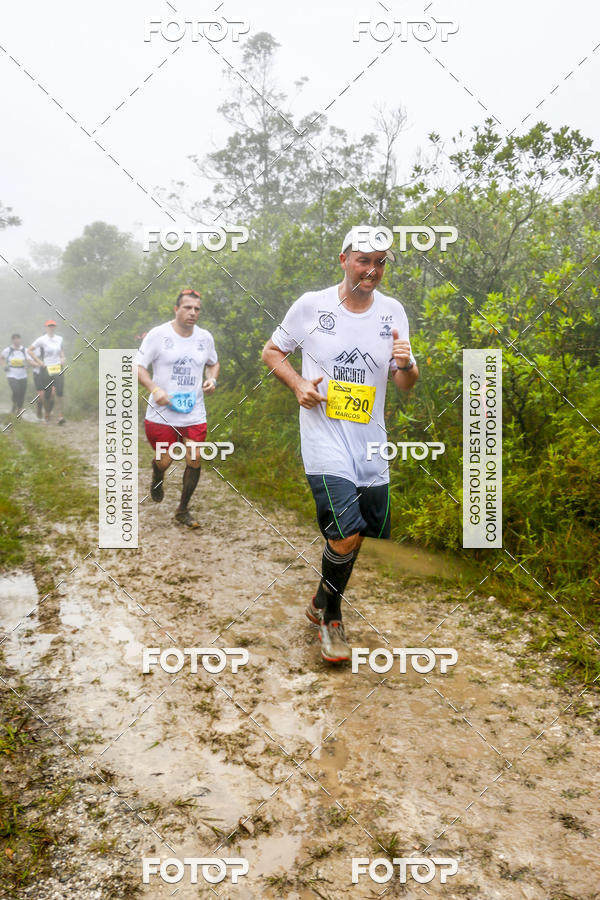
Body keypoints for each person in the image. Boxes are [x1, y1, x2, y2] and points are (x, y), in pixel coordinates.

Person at [262, 225, 419, 663]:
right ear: (344, 259)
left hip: (370, 443)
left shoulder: (393, 312)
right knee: (346, 531)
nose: (372, 270)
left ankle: (318, 601)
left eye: (381, 262)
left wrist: (405, 364)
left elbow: (405, 382)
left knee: (357, 534)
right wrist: (297, 385)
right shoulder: (312, 305)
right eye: (364, 260)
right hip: (324, 437)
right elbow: (273, 351)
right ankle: (332, 620)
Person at [136, 288, 220, 528]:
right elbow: (139, 367)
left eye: (197, 309)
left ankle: (182, 510)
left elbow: (214, 364)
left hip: (194, 412)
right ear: (176, 309)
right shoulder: (158, 335)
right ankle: (157, 474)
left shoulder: (205, 337)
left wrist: (212, 380)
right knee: (166, 460)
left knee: (194, 458)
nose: (193, 313)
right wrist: (154, 389)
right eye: (187, 308)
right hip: (162, 414)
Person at [28, 320, 66, 424]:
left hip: (58, 367)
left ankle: (60, 416)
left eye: (53, 326)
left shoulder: (59, 339)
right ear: (46, 327)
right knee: (46, 394)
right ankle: (47, 414)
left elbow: (61, 351)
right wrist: (39, 362)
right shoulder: (41, 339)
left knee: (59, 391)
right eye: (49, 326)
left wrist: (62, 357)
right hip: (46, 368)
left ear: (55, 327)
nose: (51, 328)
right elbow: (29, 350)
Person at [1, 333, 33, 416]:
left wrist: (28, 365)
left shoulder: (25, 350)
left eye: (18, 338)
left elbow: (30, 360)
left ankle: (19, 410)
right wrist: (4, 365)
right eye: (14, 339)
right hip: (11, 374)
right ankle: (14, 404)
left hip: (23, 374)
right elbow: (1, 358)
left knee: (22, 393)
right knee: (16, 390)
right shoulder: (8, 350)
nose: (16, 340)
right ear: (12, 340)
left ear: (20, 340)